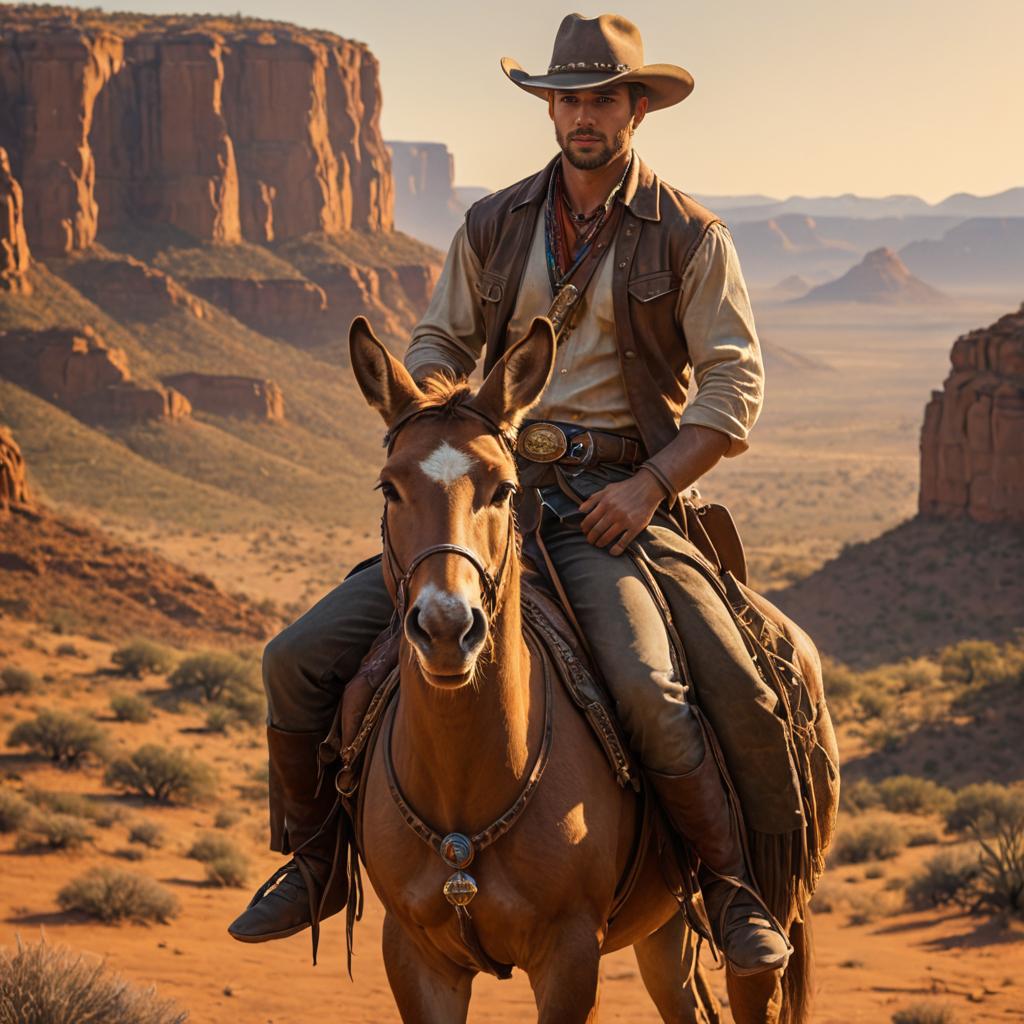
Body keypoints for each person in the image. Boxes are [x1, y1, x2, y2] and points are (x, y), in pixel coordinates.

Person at [229, 12, 798, 976]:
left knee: (661, 690)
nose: (583, 115)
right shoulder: (495, 224)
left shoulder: (692, 236)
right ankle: (319, 858)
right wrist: (432, 406)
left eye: (602, 98)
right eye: (567, 98)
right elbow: (441, 339)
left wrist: (651, 488)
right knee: (297, 658)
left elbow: (734, 388)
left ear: (636, 109)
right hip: (487, 491)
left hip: (616, 503)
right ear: (548, 107)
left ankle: (732, 886)